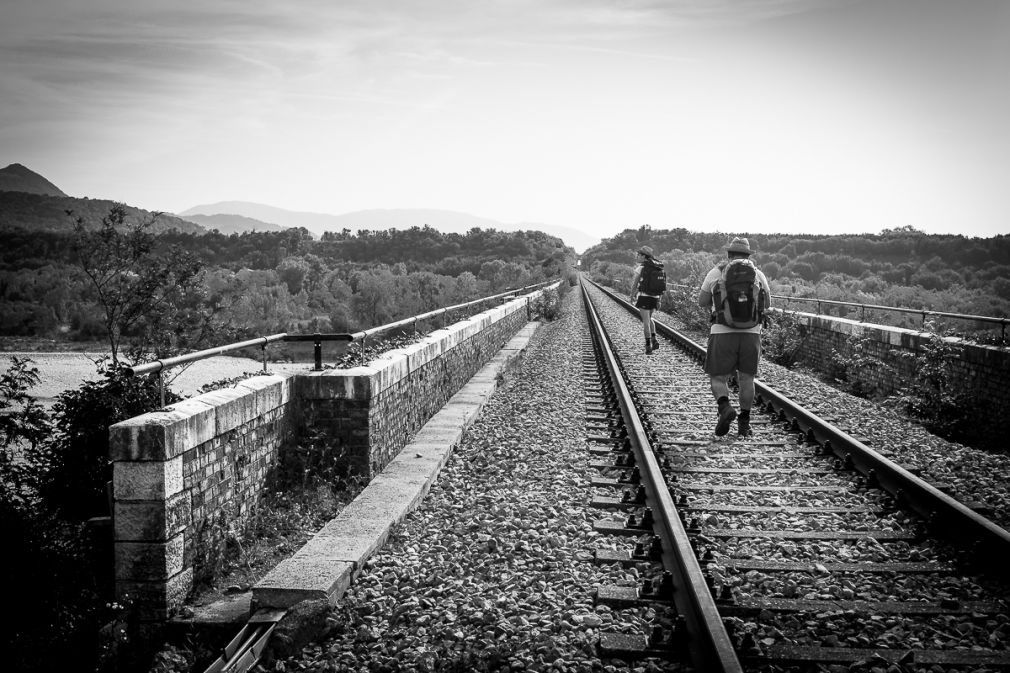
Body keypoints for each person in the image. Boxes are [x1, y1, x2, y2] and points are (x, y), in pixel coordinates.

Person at [697, 237, 771, 436]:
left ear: (729, 255)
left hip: (722, 331)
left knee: (718, 378)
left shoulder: (717, 272)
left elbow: (702, 301)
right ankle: (744, 423)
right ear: (748, 255)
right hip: (751, 333)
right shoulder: (758, 274)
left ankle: (725, 407)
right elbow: (768, 303)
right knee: (747, 379)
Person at [629, 246, 662, 354]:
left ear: (643, 256)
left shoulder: (641, 268)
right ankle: (654, 339)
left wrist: (632, 295)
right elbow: (661, 285)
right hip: (655, 297)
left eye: (638, 255)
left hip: (644, 297)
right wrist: (659, 299)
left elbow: (635, 283)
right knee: (649, 318)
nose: (637, 257)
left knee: (646, 322)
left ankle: (648, 346)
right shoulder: (657, 267)